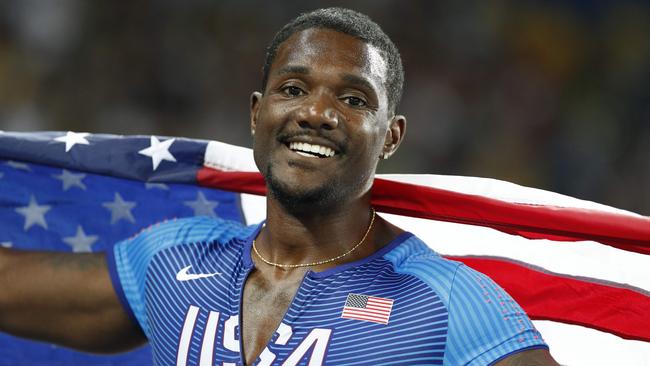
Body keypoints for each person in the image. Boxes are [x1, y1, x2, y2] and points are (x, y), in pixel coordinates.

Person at [0, 7, 559, 366]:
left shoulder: (446, 303)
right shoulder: (172, 262)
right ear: (256, 113)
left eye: (353, 99)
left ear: (391, 136)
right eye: (293, 88)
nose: (317, 112)